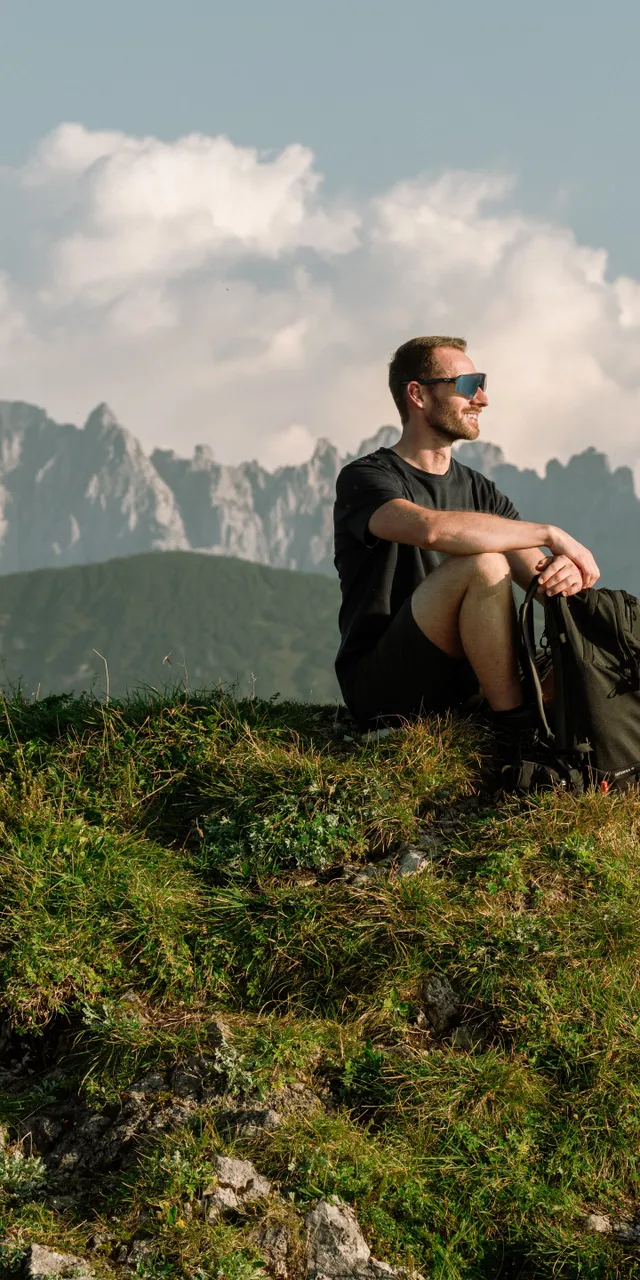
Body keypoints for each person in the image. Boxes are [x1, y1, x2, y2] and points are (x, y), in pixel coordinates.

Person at [333, 335, 600, 738]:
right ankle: (512, 730)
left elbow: (539, 580)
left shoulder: (481, 491)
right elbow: (429, 529)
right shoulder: (367, 478)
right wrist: (549, 532)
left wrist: (565, 571)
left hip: (469, 678)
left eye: (483, 383)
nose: (482, 398)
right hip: (386, 686)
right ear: (417, 395)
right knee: (485, 562)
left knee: (599, 676)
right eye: (466, 385)